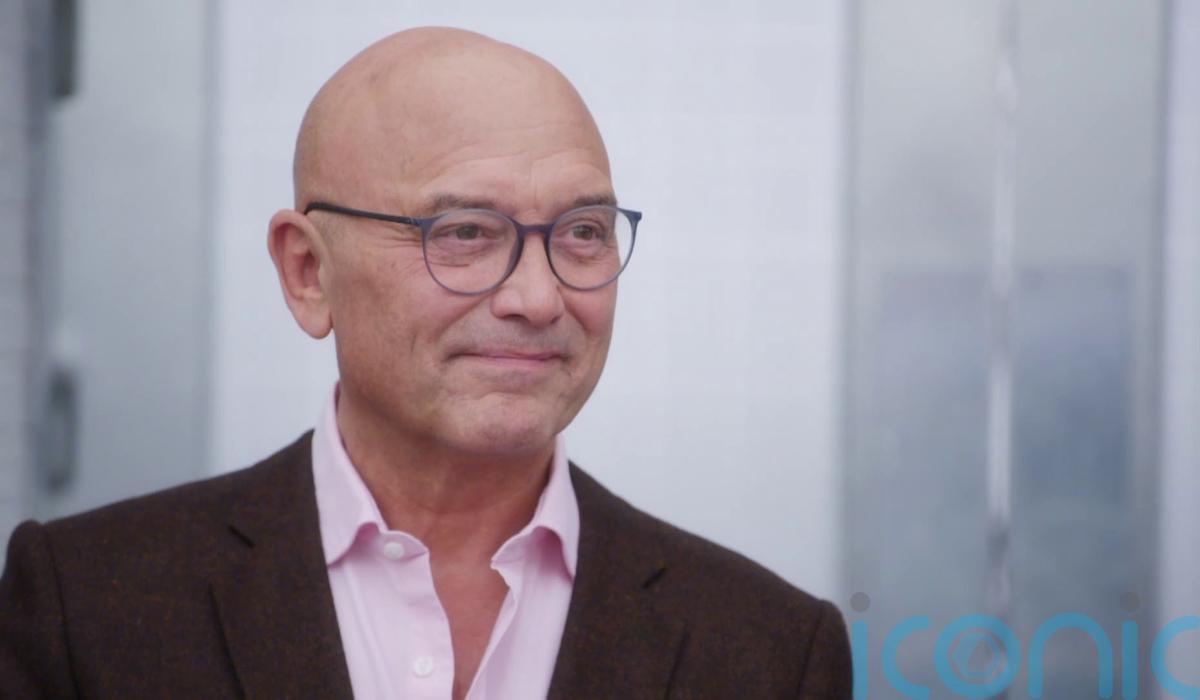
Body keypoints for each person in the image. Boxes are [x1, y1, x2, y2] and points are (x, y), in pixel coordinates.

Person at [0, 27, 852, 699]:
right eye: (466, 233)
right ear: (308, 272)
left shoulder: (771, 650)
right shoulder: (90, 605)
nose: (538, 298)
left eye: (582, 233)